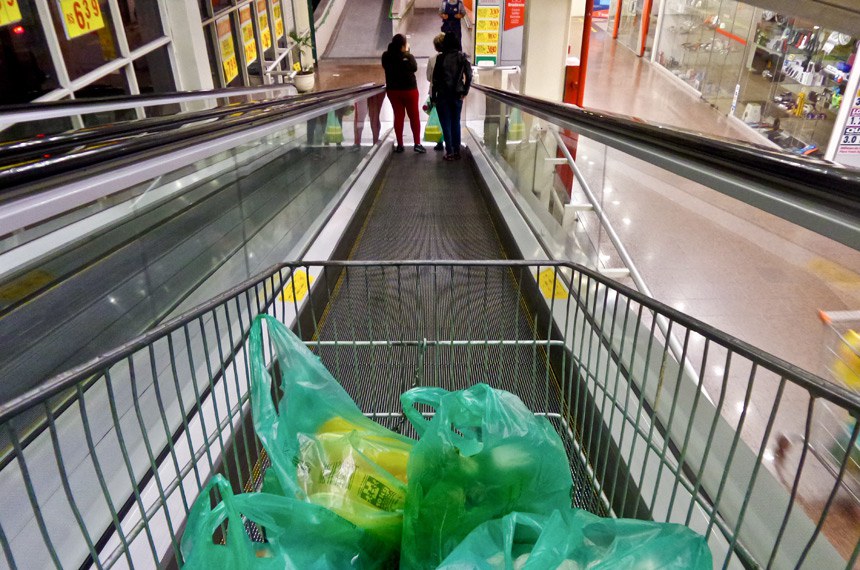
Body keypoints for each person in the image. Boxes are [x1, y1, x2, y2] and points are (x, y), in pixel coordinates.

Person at [381, 34, 426, 153]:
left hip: (393, 91)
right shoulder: (408, 56)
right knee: (414, 116)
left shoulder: (386, 56)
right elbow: (414, 68)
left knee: (398, 116)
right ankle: (417, 143)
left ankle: (400, 145)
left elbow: (385, 66)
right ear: (403, 45)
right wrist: (406, 52)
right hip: (409, 90)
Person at [432, 31, 472, 161]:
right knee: (456, 122)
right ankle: (457, 151)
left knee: (446, 124)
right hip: (457, 95)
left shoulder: (440, 58)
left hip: (443, 95)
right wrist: (465, 91)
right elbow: (469, 75)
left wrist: (433, 97)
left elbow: (435, 79)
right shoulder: (462, 57)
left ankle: (449, 152)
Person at [426, 33, 446, 151]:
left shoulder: (432, 59)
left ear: (436, 47)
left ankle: (439, 142)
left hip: (435, 93)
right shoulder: (452, 58)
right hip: (448, 92)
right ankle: (450, 142)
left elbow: (429, 77)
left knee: (438, 118)